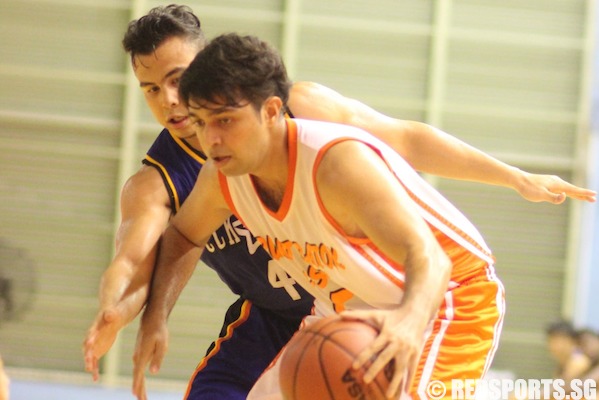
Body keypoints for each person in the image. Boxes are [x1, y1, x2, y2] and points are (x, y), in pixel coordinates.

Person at [82, 5, 596, 400]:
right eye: (153, 88)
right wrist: (138, 314)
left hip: (443, 299)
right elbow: (170, 242)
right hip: (331, 300)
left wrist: (514, 177)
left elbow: (411, 155)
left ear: (268, 109)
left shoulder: (327, 147)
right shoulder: (208, 175)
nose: (172, 101)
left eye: (180, 81)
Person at [131, 32, 508, 400]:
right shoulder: (221, 176)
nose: (210, 139)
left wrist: (409, 322)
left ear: (272, 110)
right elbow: (182, 235)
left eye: (225, 121)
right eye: (200, 122)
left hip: (444, 299)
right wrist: (154, 317)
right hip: (343, 305)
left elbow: (428, 257)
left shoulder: (337, 163)